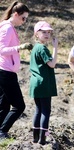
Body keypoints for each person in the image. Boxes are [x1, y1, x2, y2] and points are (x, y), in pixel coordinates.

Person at [0, 1, 32, 140]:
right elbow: (2, 50)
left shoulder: (9, 27)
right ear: (15, 14)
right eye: (23, 18)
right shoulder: (7, 28)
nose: (24, 21)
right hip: (5, 72)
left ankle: (1, 133)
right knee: (19, 106)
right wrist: (20, 47)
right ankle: (2, 131)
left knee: (4, 106)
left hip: (6, 71)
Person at [29, 21, 58, 145]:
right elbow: (52, 64)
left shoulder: (35, 47)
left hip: (35, 84)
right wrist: (56, 48)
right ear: (36, 34)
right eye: (43, 32)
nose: (47, 34)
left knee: (38, 110)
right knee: (46, 111)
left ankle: (35, 137)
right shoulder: (42, 48)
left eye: (48, 32)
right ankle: (43, 139)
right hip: (44, 83)